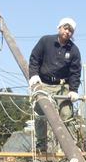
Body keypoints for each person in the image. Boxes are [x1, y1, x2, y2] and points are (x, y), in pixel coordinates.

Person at [29, 17, 81, 153]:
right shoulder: (45, 41)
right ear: (59, 28)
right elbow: (34, 58)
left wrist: (74, 89)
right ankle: (41, 146)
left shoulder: (74, 50)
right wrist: (33, 74)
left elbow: (75, 72)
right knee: (40, 114)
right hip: (44, 84)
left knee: (66, 114)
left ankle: (70, 146)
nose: (67, 32)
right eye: (65, 28)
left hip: (63, 86)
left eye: (70, 30)